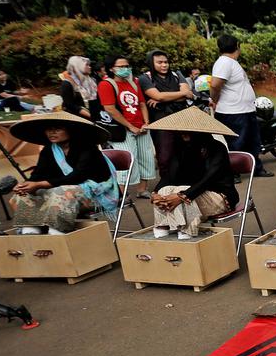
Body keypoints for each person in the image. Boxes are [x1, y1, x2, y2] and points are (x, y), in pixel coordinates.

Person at [7, 112, 117, 235]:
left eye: (57, 129)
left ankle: (56, 232)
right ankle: (31, 231)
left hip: (94, 192)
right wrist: (26, 185)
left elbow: (78, 176)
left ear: (71, 130)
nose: (52, 133)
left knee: (62, 192)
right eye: (49, 129)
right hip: (61, 189)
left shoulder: (87, 148)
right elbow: (38, 174)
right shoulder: (49, 150)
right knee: (24, 194)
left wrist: (40, 184)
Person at [144, 107, 239, 239]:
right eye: (182, 131)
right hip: (187, 194)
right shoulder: (180, 148)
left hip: (218, 195)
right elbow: (169, 176)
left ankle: (186, 232)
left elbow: (208, 179)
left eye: (188, 131)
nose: (184, 134)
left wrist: (182, 196)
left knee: (181, 195)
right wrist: (156, 194)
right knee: (165, 190)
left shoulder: (217, 148)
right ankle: (162, 229)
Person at [210, 34, 272, 177]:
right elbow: (215, 84)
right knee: (236, 144)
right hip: (233, 112)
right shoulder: (224, 62)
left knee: (253, 143)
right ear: (238, 45)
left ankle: (255, 169)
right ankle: (233, 173)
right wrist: (214, 99)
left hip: (246, 110)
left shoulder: (231, 62)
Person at [98, 55, 157, 198]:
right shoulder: (106, 84)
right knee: (126, 160)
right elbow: (110, 109)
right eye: (121, 67)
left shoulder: (134, 82)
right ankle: (121, 194)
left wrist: (146, 122)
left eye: (127, 66)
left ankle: (142, 189)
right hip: (122, 130)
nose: (125, 69)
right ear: (112, 68)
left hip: (141, 127)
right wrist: (130, 126)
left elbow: (142, 103)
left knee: (146, 157)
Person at [138, 49, 194, 179]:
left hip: (182, 116)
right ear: (151, 63)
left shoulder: (176, 74)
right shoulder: (145, 78)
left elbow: (188, 93)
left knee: (186, 149)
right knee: (165, 154)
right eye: (159, 62)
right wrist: (164, 97)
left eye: (166, 62)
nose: (164, 65)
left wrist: (162, 98)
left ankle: (187, 181)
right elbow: (158, 95)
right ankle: (167, 183)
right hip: (160, 119)